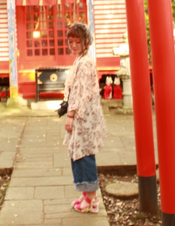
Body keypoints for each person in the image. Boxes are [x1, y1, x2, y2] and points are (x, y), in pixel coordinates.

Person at [63, 22, 107, 214]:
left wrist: (70, 115)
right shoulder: (81, 59)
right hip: (83, 114)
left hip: (84, 116)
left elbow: (80, 92)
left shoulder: (86, 61)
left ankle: (92, 198)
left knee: (84, 156)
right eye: (70, 41)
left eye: (77, 41)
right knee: (78, 155)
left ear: (86, 41)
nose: (73, 45)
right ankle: (85, 194)